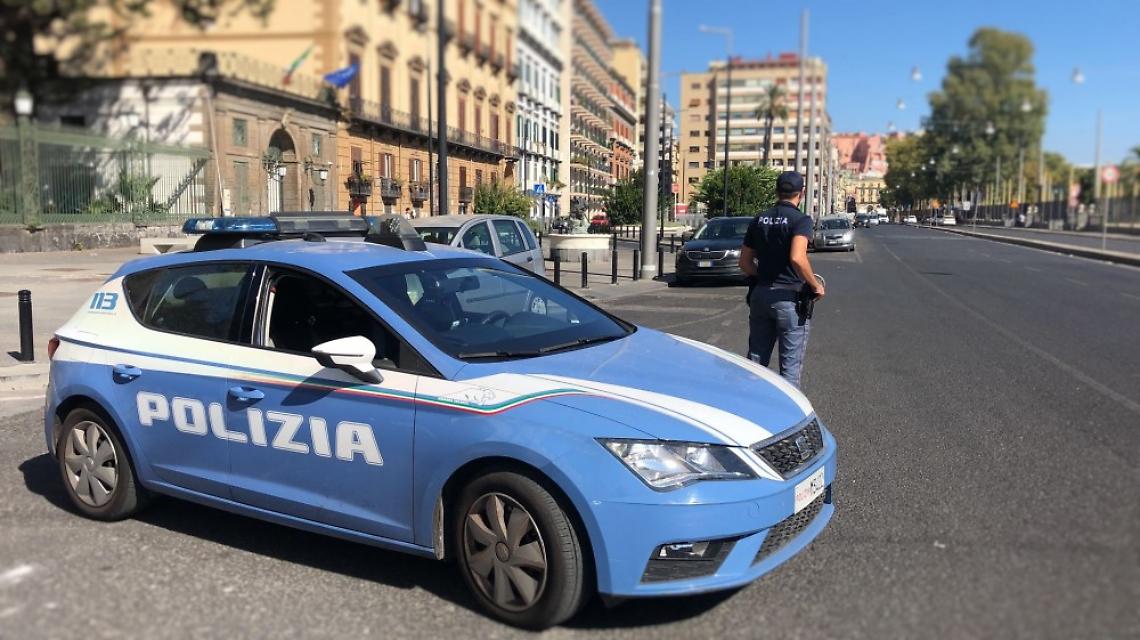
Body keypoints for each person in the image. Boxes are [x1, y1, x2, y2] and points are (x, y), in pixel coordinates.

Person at [738, 171, 825, 388]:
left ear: (777, 191)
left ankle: (749, 407)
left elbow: (745, 263)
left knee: (756, 362)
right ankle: (785, 417)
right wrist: (815, 285)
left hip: (760, 295)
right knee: (789, 368)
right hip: (789, 299)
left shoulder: (759, 219)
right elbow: (797, 257)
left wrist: (763, 277)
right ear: (802, 193)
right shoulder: (801, 220)